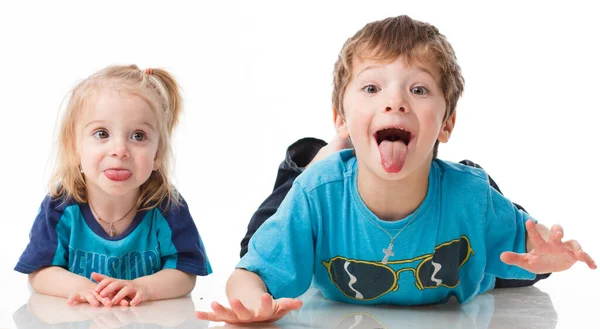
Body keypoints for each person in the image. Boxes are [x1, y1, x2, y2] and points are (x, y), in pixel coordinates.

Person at [196, 15, 595, 324]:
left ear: (446, 124)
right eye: (372, 88)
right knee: (282, 210)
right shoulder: (317, 194)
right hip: (329, 178)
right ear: (340, 118)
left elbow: (536, 244)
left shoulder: (471, 199)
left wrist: (554, 255)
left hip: (456, 226)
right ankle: (322, 152)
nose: (396, 101)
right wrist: (250, 306)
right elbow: (248, 275)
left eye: (418, 89)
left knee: (517, 262)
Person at [15, 65, 211, 307]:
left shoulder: (167, 206)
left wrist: (143, 288)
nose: (119, 150)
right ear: (75, 147)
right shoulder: (61, 206)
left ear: (157, 153)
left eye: (138, 136)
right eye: (101, 133)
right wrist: (85, 289)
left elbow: (185, 273)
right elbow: (40, 271)